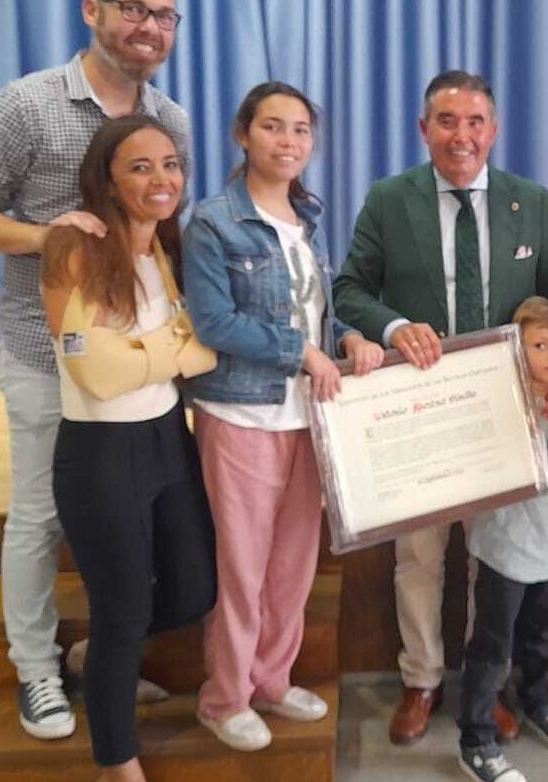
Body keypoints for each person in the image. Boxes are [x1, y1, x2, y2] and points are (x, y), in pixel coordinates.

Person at [0, 0, 191, 739]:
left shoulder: (171, 118)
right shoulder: (27, 105)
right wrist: (49, 236)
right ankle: (36, 669)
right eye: (133, 9)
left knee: (138, 529)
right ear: (92, 11)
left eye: (164, 15)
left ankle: (102, 659)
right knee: (41, 514)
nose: (149, 27)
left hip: (142, 368)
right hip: (44, 353)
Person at [333, 69, 548, 746]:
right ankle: (421, 678)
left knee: (491, 561)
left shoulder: (532, 202)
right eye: (447, 121)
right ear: (424, 129)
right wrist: (391, 327)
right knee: (419, 556)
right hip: (422, 410)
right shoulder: (389, 199)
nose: (461, 136)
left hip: (505, 409)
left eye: (474, 122)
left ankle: (484, 686)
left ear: (493, 130)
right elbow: (349, 289)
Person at [182, 82, 383, 751]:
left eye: (300, 129)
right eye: (272, 126)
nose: (289, 141)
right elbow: (215, 323)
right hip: (241, 413)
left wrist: (348, 337)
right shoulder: (213, 222)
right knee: (242, 565)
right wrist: (303, 353)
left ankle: (271, 678)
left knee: (294, 562)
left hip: (308, 416)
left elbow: (315, 314)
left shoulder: (307, 218)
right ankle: (225, 697)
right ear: (243, 135)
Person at [41, 114, 217, 782]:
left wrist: (147, 352)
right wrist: (173, 348)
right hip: (100, 453)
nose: (160, 179)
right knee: (123, 610)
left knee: (195, 589)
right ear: (108, 181)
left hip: (167, 438)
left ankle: (92, 657)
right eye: (140, 167)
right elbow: (99, 374)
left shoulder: (166, 248)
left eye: (169, 164)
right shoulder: (74, 246)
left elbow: (206, 354)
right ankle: (118, 762)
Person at [456, 297, 548, 782]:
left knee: (541, 637)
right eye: (541, 345)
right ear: (517, 346)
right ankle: (476, 740)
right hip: (504, 550)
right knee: (492, 646)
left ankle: (537, 700)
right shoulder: (499, 403)